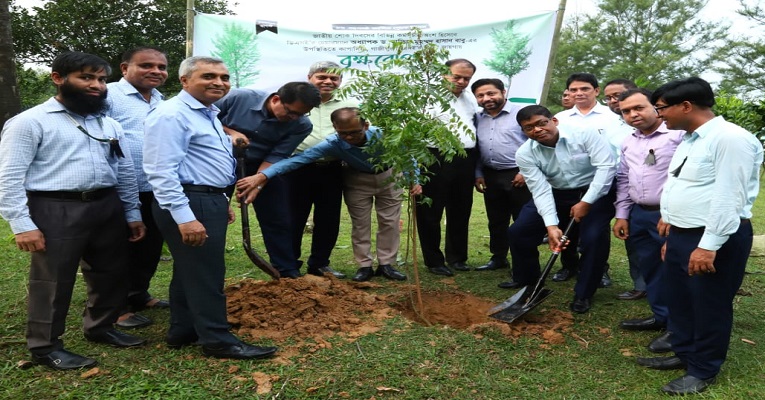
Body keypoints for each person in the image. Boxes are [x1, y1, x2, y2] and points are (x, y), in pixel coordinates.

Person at [0, 51, 147, 370]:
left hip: (107, 205)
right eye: (86, 77)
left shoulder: (108, 123)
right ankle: (44, 346)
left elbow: (124, 171)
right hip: (56, 208)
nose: (96, 85)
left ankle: (100, 327)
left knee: (110, 271)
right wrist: (21, 223)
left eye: (101, 79)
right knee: (53, 280)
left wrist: (132, 213)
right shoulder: (29, 122)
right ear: (58, 78)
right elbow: (9, 177)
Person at [143, 56, 277, 359]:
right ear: (185, 81)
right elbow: (161, 171)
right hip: (189, 200)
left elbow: (204, 163)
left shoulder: (208, 114)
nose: (219, 82)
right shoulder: (171, 115)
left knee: (190, 269)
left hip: (207, 198)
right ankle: (217, 340)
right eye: (209, 76)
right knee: (207, 273)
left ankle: (183, 330)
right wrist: (186, 218)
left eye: (224, 76)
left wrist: (220, 200)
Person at [635, 77, 762, 395]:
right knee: (680, 299)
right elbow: (685, 184)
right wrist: (669, 220)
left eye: (661, 108)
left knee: (708, 303)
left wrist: (707, 246)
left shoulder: (730, 139)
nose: (659, 114)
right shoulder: (690, 139)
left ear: (686, 106)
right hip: (681, 234)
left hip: (714, 237)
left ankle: (703, 368)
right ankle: (684, 353)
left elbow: (728, 198)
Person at [238, 107, 414, 282]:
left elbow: (406, 153)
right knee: (360, 223)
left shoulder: (383, 135)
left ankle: (387, 264)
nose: (350, 138)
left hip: (389, 176)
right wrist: (262, 175)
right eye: (343, 133)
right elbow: (298, 160)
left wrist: (415, 179)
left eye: (354, 132)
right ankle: (364, 266)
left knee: (389, 221)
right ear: (335, 129)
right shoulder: (333, 143)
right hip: (357, 178)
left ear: (366, 126)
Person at [502, 105, 616, 314]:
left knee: (593, 239)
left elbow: (606, 167)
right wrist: (552, 226)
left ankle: (584, 293)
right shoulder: (525, 154)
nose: (536, 130)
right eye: (529, 128)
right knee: (518, 232)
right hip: (556, 192)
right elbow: (540, 190)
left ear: (553, 121)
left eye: (541, 123)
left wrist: (587, 202)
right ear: (524, 131)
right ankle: (528, 282)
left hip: (595, 191)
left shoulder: (585, 134)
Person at [215, 81, 321, 278]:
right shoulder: (238, 98)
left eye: (300, 114)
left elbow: (276, 156)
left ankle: (287, 270)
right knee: (215, 215)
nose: (294, 118)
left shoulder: (301, 125)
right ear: (275, 99)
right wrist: (230, 132)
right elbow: (203, 119)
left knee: (278, 217)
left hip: (262, 167)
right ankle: (210, 270)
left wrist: (258, 182)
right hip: (219, 163)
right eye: (291, 112)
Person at [105, 46, 170, 329]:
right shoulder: (108, 95)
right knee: (118, 249)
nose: (155, 71)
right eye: (146, 66)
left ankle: (138, 294)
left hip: (154, 187)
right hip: (119, 187)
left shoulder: (160, 99)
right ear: (124, 68)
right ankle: (115, 307)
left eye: (161, 67)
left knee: (150, 246)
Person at [612, 88, 683, 335]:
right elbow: (623, 178)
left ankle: (678, 326)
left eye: (639, 107)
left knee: (675, 270)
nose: (633, 114)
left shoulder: (679, 137)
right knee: (651, 268)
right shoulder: (629, 141)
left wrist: (674, 213)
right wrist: (622, 214)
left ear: (655, 107)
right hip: (640, 215)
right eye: (626, 111)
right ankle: (661, 317)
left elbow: (689, 179)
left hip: (670, 216)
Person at [553, 73, 626, 287]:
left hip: (603, 181)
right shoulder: (561, 118)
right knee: (568, 226)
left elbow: (621, 148)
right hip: (570, 183)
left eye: (584, 89)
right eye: (573, 90)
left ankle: (599, 269)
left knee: (596, 231)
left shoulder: (612, 117)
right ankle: (569, 265)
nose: (579, 93)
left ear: (596, 90)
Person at [286, 61, 357, 279]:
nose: (328, 81)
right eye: (322, 77)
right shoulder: (296, 101)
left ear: (340, 81)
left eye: (334, 78)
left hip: (332, 169)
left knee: (328, 218)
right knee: (293, 217)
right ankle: (289, 264)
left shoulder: (350, 104)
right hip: (297, 168)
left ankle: (319, 263)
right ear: (310, 78)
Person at [416, 58, 479, 276]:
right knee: (430, 211)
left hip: (465, 159)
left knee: (461, 209)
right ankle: (434, 261)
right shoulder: (425, 97)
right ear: (443, 74)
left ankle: (457, 257)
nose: (461, 82)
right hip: (434, 158)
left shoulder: (470, 98)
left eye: (467, 78)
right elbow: (413, 136)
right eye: (457, 76)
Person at [471, 78, 531, 274]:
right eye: (481, 95)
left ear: (503, 92)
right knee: (496, 219)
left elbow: (535, 144)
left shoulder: (521, 114)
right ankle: (498, 257)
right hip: (491, 176)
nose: (487, 98)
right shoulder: (478, 118)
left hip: (519, 174)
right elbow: (478, 149)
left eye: (491, 93)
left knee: (522, 221)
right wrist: (479, 173)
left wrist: (525, 171)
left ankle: (522, 261)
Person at [603, 78, 647, 301]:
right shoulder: (607, 123)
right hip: (619, 184)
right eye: (609, 97)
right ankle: (640, 283)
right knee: (633, 238)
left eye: (617, 95)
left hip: (652, 190)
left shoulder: (664, 128)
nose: (613, 101)